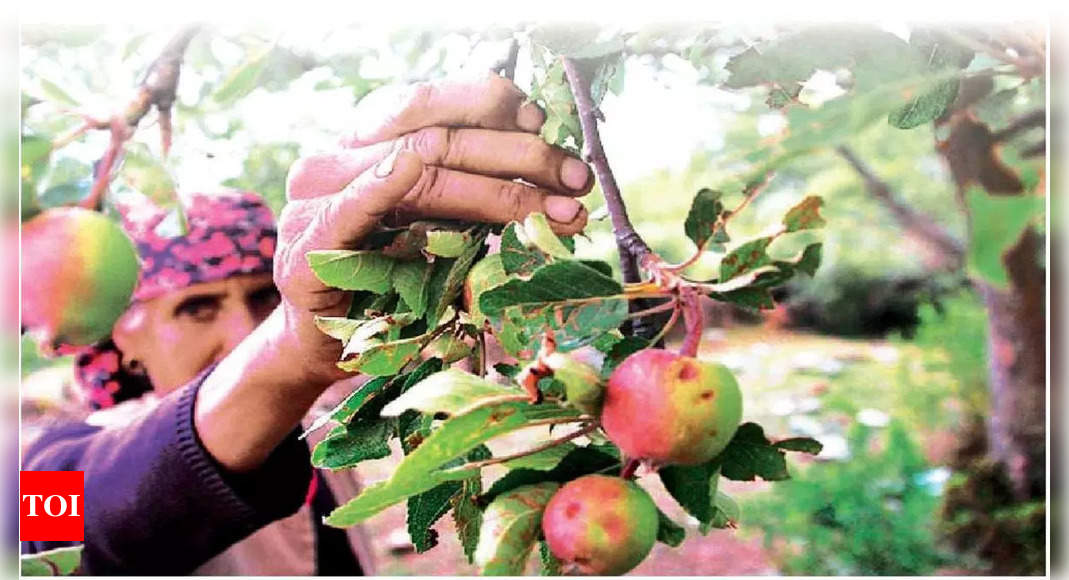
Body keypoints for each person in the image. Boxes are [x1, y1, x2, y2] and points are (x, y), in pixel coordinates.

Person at [20, 72, 592, 575]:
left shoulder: (322, 411)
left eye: (266, 298)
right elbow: (47, 523)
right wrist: (285, 349)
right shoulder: (53, 459)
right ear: (124, 332)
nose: (243, 332)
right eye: (196, 308)